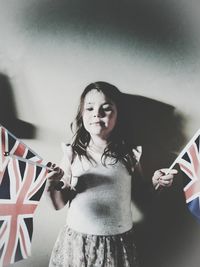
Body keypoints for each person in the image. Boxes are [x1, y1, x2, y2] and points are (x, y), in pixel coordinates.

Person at [47, 81, 178, 267]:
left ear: (118, 116)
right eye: (89, 108)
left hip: (118, 243)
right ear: (81, 114)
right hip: (79, 243)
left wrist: (156, 183)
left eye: (106, 109)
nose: (97, 114)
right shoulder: (72, 153)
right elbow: (58, 203)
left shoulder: (130, 155)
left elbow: (142, 195)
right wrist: (52, 185)